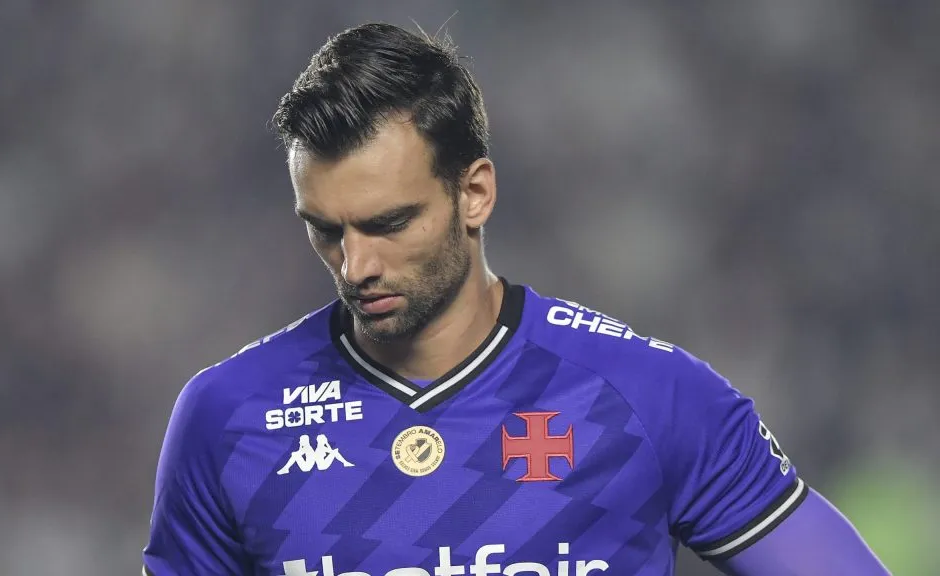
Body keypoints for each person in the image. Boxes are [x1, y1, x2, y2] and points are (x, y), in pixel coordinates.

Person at [143, 22, 890, 576]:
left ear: (474, 194)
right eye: (325, 230)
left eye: (390, 223)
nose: (356, 265)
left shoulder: (648, 395)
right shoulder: (227, 417)